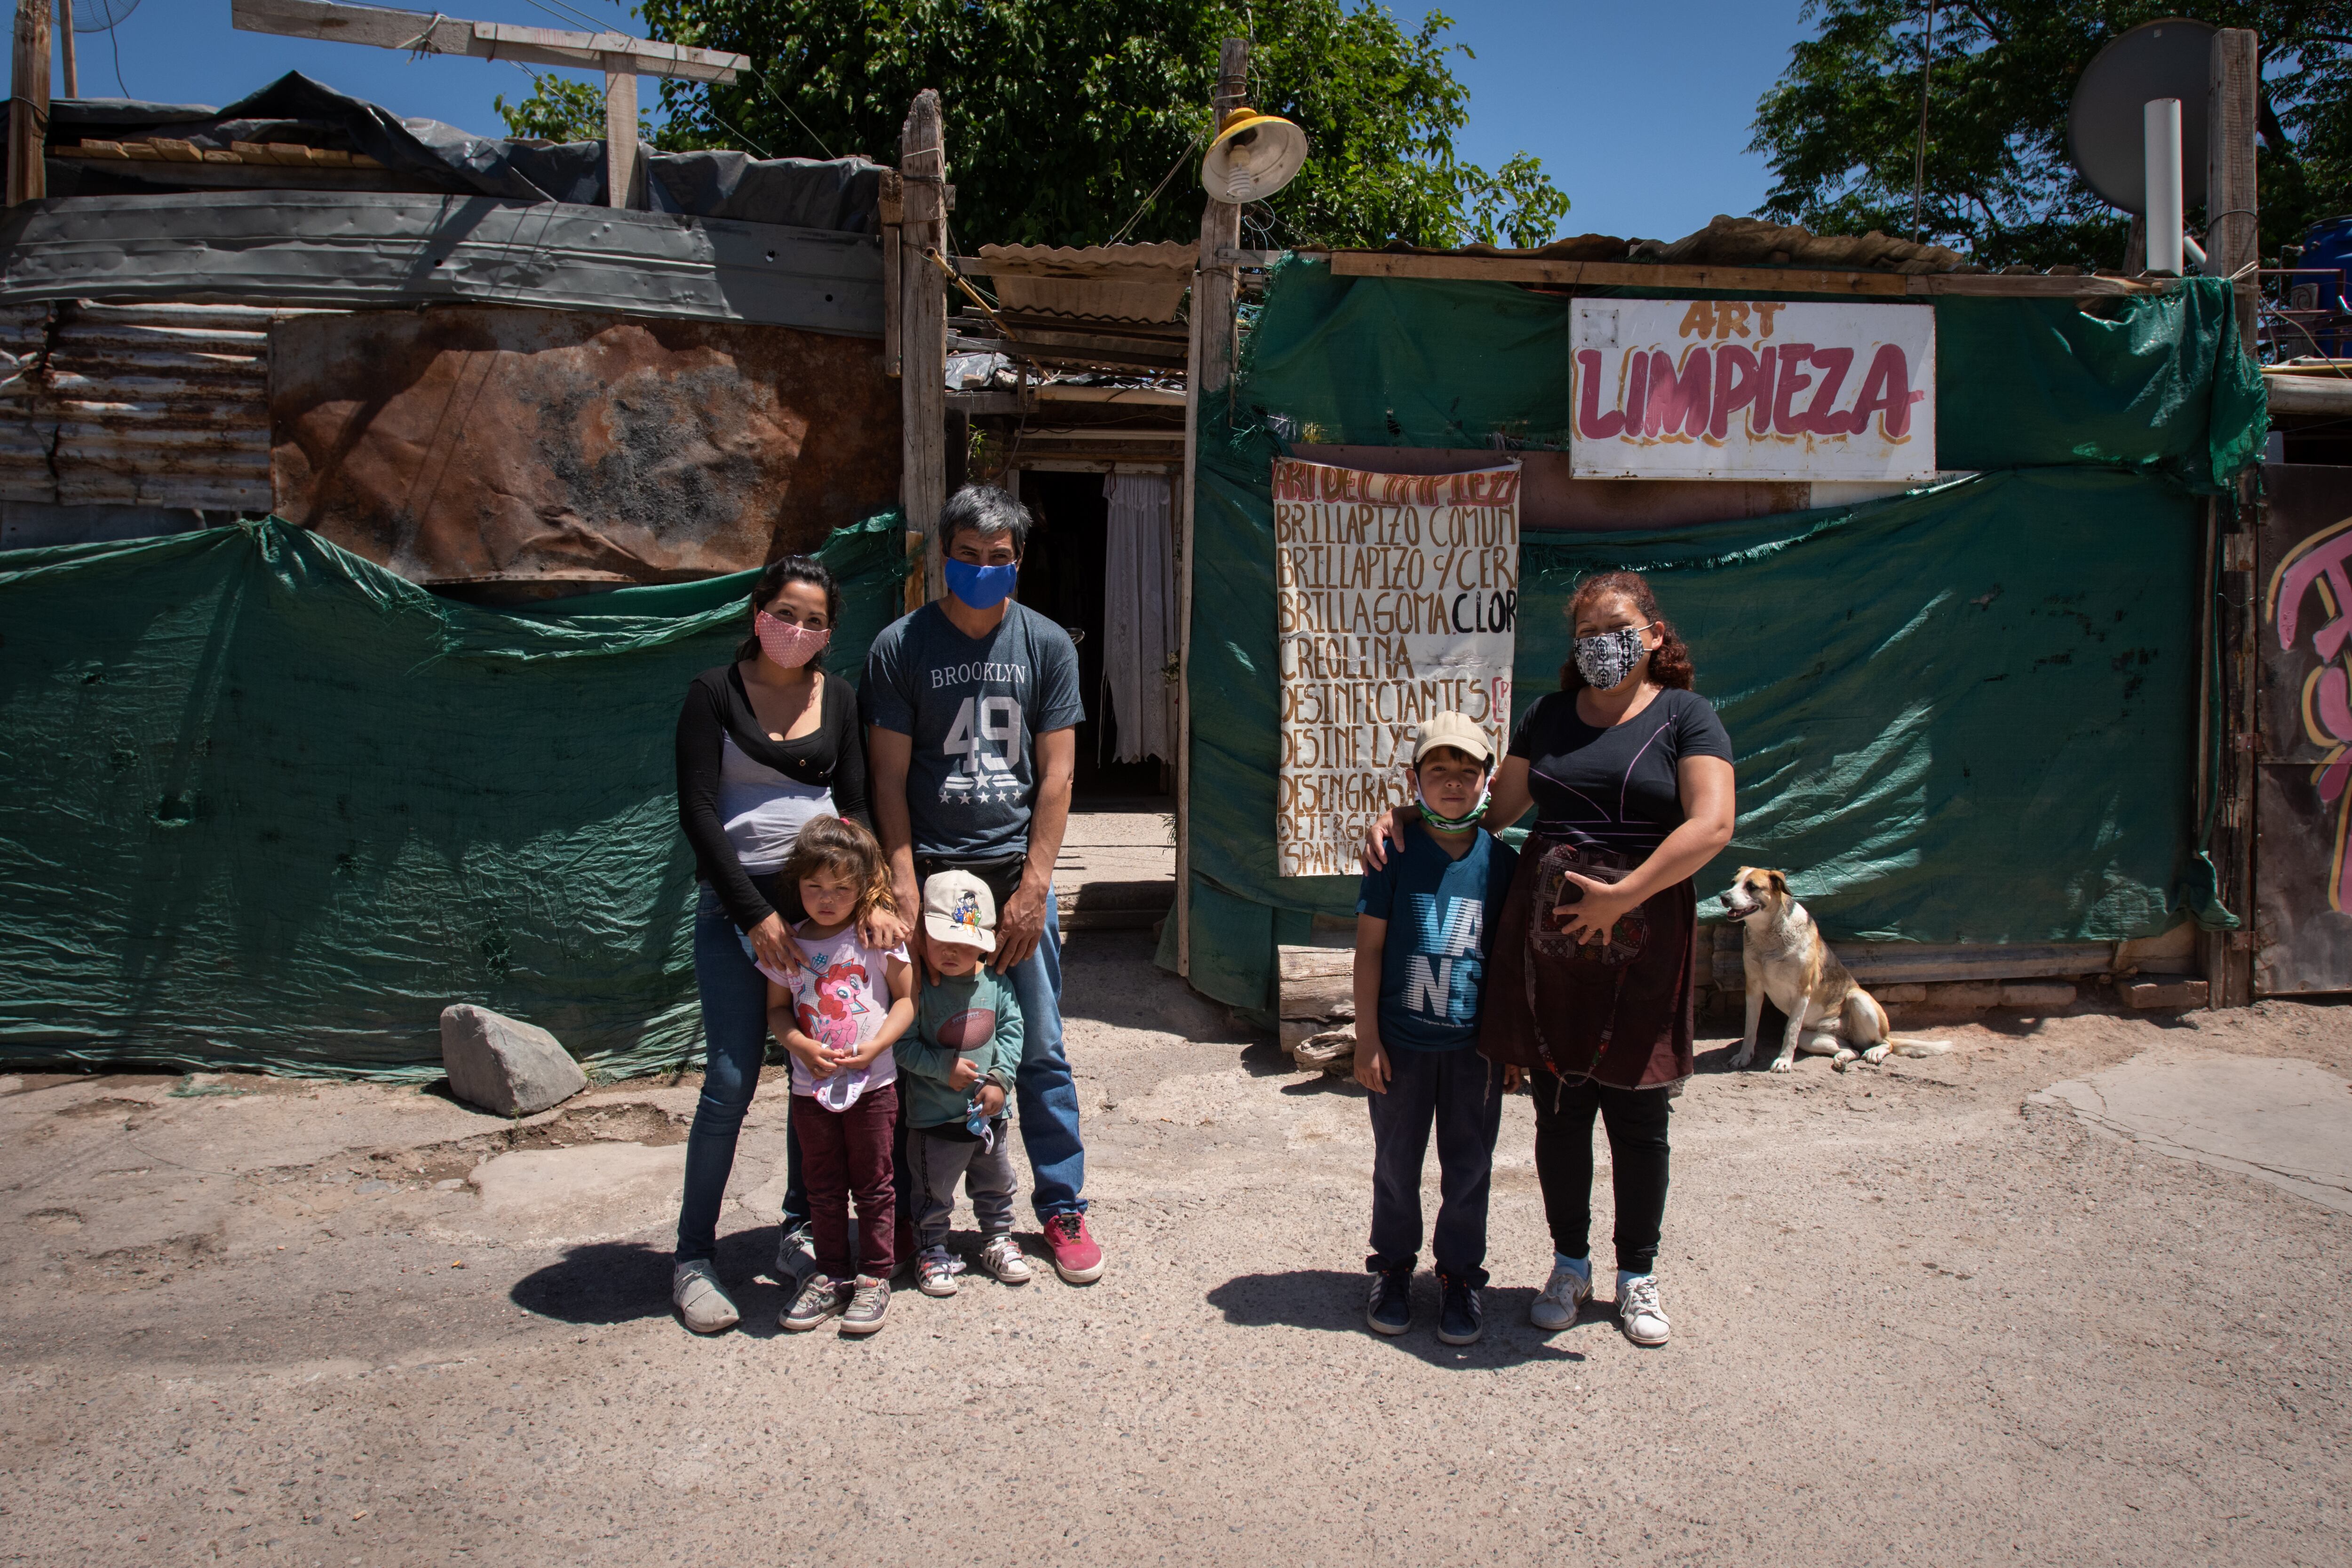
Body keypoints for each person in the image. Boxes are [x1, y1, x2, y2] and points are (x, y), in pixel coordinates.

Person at [1364, 571, 1734, 1347]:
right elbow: (1486, 811)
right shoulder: (1550, 716)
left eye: (1620, 628)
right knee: (1560, 1109)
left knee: (1637, 1110)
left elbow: (1712, 824)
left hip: (1642, 930)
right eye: (1589, 634)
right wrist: (1406, 814)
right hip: (1553, 939)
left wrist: (1622, 895)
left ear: (1656, 634)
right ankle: (1571, 1264)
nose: (1605, 646)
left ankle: (1638, 1273)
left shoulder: (1685, 716)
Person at [864, 484, 1104, 1285]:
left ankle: (1062, 1206)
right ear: (943, 554)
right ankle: (906, 1213)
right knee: (920, 1042)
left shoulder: (1046, 646)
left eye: (998, 560)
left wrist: (1036, 886)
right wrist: (901, 882)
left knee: (1038, 1045)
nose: (981, 570)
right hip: (934, 877)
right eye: (967, 556)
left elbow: (1059, 775)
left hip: (1011, 878)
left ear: (1018, 562)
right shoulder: (901, 647)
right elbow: (888, 780)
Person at [668, 556, 905, 1336]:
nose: (796, 631)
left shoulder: (836, 696)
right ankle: (693, 1258)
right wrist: (754, 917)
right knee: (732, 1082)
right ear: (758, 608)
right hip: (741, 913)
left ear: (829, 632)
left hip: (825, 915)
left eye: (814, 621)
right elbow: (700, 813)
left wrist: (869, 897)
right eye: (785, 613)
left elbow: (859, 803)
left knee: (822, 1067)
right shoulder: (711, 693)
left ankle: (804, 1228)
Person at [1353, 712, 1518, 1346]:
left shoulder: (1501, 864)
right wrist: (1367, 1039)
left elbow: (1506, 964)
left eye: (1468, 772)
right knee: (1396, 1164)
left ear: (1489, 780)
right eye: (1438, 771)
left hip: (1473, 1052)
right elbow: (1369, 950)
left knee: (1469, 1167)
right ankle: (1393, 1269)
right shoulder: (1392, 854)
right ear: (1414, 779)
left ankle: (1459, 1277)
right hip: (1401, 1047)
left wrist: (1508, 1048)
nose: (1453, 784)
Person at [769, 816, 915, 1336]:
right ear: (797, 885)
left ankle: (874, 1277)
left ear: (862, 887)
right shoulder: (791, 944)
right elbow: (778, 1011)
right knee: (822, 1187)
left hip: (873, 1087)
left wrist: (877, 1045)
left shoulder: (875, 938)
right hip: (809, 1089)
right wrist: (798, 1044)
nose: (826, 898)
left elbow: (904, 1001)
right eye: (814, 887)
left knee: (875, 1185)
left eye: (840, 888)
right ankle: (829, 1275)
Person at [896, 869, 1030, 1296]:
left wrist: (1001, 1079)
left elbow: (1013, 1030)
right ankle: (931, 1248)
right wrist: (942, 1068)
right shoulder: (918, 990)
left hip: (990, 1117)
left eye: (965, 941)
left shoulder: (996, 984)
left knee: (996, 1183)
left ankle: (997, 1238)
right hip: (935, 1120)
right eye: (941, 941)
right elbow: (900, 1045)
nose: (952, 951)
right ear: (922, 936)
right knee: (932, 1193)